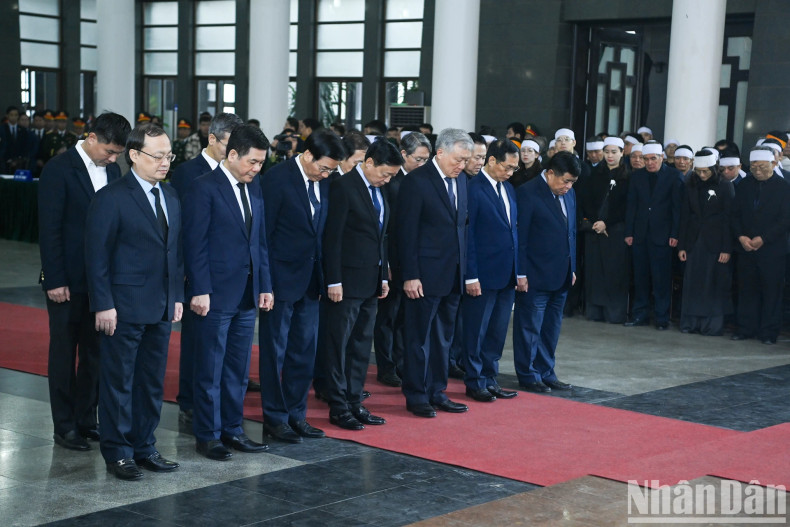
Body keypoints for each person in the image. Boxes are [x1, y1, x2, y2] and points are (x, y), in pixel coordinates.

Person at [85, 123, 183, 480]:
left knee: (151, 382)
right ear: (134, 156)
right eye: (158, 156)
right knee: (119, 382)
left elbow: (176, 253)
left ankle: (144, 445)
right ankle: (118, 452)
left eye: (169, 155)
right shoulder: (111, 197)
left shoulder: (170, 196)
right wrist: (103, 303)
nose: (165, 162)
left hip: (160, 305)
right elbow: (96, 256)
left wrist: (177, 297)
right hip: (123, 306)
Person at [38, 112, 130, 452]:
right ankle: (64, 426)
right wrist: (55, 278)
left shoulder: (113, 171)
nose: (114, 159)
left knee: (95, 353)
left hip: (101, 281)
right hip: (67, 280)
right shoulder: (59, 169)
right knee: (64, 353)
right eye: (109, 151)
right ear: (91, 138)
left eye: (118, 153)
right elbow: (49, 229)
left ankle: (86, 418)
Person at [183, 124, 273, 460]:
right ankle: (208, 435)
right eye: (252, 162)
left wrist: (265, 285)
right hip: (214, 294)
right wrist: (200, 289)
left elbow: (259, 241)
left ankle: (233, 430)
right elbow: (195, 244)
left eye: (261, 163)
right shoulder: (203, 187)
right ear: (232, 154)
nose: (257, 168)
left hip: (247, 293)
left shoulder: (254, 186)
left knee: (237, 369)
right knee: (210, 368)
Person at [258, 129, 345, 443]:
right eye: (323, 168)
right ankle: (275, 417)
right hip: (280, 282)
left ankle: (297, 414)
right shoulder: (277, 179)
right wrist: (265, 283)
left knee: (304, 352)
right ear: (307, 155)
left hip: (310, 281)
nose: (326, 174)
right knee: (275, 353)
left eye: (331, 170)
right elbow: (264, 237)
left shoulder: (325, 183)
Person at [169, 112, 243, 424]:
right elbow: (183, 226)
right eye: (229, 144)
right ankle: (189, 399)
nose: (234, 152)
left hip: (231, 273)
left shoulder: (241, 174)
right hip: (198, 271)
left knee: (226, 347)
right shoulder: (188, 173)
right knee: (195, 341)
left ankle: (220, 402)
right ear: (212, 139)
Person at [322, 140, 401, 429]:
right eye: (385, 173)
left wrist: (383, 276)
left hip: (371, 280)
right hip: (345, 282)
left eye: (392, 175)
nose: (388, 180)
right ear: (369, 163)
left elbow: (382, 237)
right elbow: (333, 238)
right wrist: (333, 280)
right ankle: (338, 405)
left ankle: (355, 401)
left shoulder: (380, 189)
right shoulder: (343, 187)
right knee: (338, 345)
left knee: (361, 345)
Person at [397, 128, 472, 418]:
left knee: (443, 338)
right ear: (440, 153)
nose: (462, 165)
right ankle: (416, 394)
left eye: (466, 160)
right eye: (458, 159)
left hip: (453, 273)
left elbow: (462, 227)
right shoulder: (417, 181)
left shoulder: (461, 180)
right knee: (418, 338)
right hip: (423, 275)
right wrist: (410, 274)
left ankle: (437, 391)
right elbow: (406, 232)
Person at [513, 151, 580, 393]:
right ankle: (528, 374)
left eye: (572, 182)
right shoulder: (527, 193)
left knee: (551, 328)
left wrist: (572, 267)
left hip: (562, 274)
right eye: (566, 181)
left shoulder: (569, 193)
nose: (568, 187)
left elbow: (571, 232)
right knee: (529, 327)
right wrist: (520, 273)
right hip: (535, 275)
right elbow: (520, 238)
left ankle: (546, 371)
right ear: (550, 173)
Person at [462, 139, 523, 402]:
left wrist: (519, 271)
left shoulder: (508, 188)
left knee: (497, 331)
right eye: (507, 167)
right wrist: (471, 275)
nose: (510, 173)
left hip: (507, 273)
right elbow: (469, 236)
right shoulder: (473, 189)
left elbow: (513, 231)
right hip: (482, 274)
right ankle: (475, 381)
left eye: (515, 168)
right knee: (477, 330)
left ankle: (490, 377)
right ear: (491, 161)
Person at [373, 132, 432, 388]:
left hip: (413, 259)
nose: (423, 164)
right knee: (388, 316)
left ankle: (401, 362)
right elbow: (385, 226)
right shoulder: (390, 181)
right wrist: (385, 262)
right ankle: (386, 365)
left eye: (426, 159)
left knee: (405, 317)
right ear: (404, 154)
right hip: (391, 258)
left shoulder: (423, 181)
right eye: (418, 159)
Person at [731, 147, 790, 344]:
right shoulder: (744, 185)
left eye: (762, 167)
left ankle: (768, 332)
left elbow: (785, 219)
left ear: (773, 164)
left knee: (771, 292)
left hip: (772, 249)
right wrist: (741, 237)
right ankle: (745, 328)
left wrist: (764, 238)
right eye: (754, 167)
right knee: (746, 290)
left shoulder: (784, 187)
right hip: (746, 247)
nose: (757, 171)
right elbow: (734, 215)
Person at [624, 142, 683, 330]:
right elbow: (632, 206)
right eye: (646, 159)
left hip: (663, 236)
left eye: (653, 159)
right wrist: (629, 232)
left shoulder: (674, 176)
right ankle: (640, 315)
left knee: (661, 279)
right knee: (640, 278)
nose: (649, 163)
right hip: (640, 235)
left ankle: (661, 317)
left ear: (662, 158)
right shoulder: (637, 176)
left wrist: (674, 233)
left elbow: (677, 208)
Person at [677, 150, 735, 336]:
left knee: (712, 284)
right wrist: (682, 246)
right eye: (699, 171)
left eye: (706, 171)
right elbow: (685, 216)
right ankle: (690, 324)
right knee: (692, 283)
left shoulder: (725, 186)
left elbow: (729, 219)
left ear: (714, 169)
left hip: (715, 243)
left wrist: (726, 248)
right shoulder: (690, 184)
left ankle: (711, 326)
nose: (702, 175)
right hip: (694, 241)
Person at [446, 133, 488, 380]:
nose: (479, 162)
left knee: (465, 318)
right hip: (453, 262)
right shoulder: (457, 180)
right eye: (475, 157)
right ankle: (449, 360)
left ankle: (459, 358)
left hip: (473, 264)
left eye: (483, 157)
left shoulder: (477, 182)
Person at [579, 136, 631, 324]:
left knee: (614, 272)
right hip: (595, 230)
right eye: (607, 152)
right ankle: (594, 312)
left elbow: (627, 206)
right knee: (595, 272)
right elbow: (586, 200)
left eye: (614, 152)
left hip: (616, 231)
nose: (610, 156)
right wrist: (595, 222)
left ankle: (614, 314)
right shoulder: (594, 174)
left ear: (622, 153)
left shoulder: (628, 176)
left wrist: (607, 222)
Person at [0, 105, 28, 172]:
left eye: (16, 115)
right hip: (4, 162)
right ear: (7, 116)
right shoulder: (1, 129)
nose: (14, 117)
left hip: (19, 163)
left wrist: (18, 160)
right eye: (11, 115)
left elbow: (24, 146)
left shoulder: (23, 130)